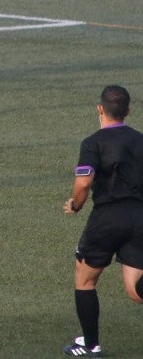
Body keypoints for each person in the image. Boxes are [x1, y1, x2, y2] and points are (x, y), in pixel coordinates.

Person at [61, 85, 143, 357]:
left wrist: (75, 204)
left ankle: (90, 344)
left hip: (107, 218)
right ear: (128, 111)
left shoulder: (93, 142)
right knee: (135, 290)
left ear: (100, 109)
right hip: (139, 218)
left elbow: (83, 182)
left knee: (84, 279)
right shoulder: (141, 140)